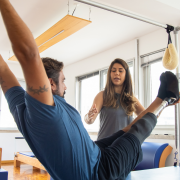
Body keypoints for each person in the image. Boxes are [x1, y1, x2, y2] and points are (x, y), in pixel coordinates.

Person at [0, 1, 179, 180]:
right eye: (63, 81)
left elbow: (4, 70)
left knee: (127, 130)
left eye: (121, 70)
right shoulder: (44, 110)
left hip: (95, 150)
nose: (66, 86)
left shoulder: (19, 105)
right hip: (99, 172)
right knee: (135, 133)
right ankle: (163, 98)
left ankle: (166, 100)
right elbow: (28, 53)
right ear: (50, 84)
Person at [85, 59, 145, 140]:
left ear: (126, 75)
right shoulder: (102, 95)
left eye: (120, 71)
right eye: (113, 70)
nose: (117, 73)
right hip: (105, 147)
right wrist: (88, 117)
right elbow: (89, 120)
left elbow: (148, 116)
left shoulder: (131, 99)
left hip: (123, 147)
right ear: (110, 74)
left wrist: (163, 103)